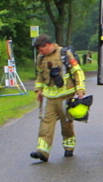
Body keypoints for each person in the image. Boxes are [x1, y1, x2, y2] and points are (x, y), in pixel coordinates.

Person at [30, 34, 86, 162]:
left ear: (48, 45)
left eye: (41, 49)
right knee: (45, 122)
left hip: (65, 95)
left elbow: (77, 71)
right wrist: (38, 89)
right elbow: (40, 75)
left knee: (66, 124)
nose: (40, 52)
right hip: (48, 97)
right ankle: (42, 152)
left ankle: (69, 147)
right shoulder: (40, 58)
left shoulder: (64, 54)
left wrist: (80, 89)